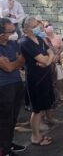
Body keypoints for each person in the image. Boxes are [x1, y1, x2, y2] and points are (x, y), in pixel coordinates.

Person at [20, 17, 55, 146]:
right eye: (36, 25)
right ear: (27, 28)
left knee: (42, 107)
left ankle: (38, 133)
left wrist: (47, 61)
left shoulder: (40, 39)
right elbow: (45, 59)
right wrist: (47, 60)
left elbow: (51, 54)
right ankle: (35, 137)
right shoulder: (25, 42)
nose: (40, 27)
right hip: (35, 79)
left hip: (45, 76)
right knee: (36, 109)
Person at [0, 18, 26, 156]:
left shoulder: (13, 43)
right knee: (5, 119)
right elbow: (9, 67)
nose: (14, 34)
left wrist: (14, 62)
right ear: (1, 34)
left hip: (16, 83)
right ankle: (4, 149)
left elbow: (20, 61)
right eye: (10, 32)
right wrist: (15, 62)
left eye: (14, 30)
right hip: (3, 87)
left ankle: (8, 143)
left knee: (13, 117)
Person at [44, 23, 63, 102]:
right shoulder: (43, 38)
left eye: (49, 25)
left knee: (59, 78)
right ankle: (53, 95)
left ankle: (61, 94)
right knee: (51, 79)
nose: (48, 27)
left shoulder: (57, 37)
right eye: (46, 26)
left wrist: (57, 54)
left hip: (57, 60)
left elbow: (61, 47)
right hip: (48, 61)